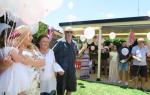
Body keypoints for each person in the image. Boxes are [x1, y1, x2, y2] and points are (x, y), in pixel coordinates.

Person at [15, 25, 45, 95]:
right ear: (22, 36)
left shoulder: (33, 48)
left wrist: (32, 62)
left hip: (36, 85)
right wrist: (35, 62)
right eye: (29, 35)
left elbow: (43, 62)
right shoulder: (16, 51)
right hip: (25, 88)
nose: (32, 38)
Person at [53, 26, 78, 95]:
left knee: (70, 89)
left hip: (71, 71)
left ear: (72, 33)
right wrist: (57, 68)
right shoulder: (59, 42)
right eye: (67, 32)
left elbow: (76, 55)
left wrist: (84, 48)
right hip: (62, 71)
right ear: (64, 32)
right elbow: (52, 54)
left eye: (71, 32)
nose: (69, 33)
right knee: (61, 91)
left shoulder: (75, 44)